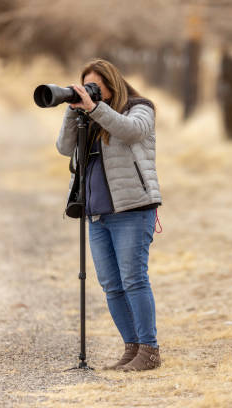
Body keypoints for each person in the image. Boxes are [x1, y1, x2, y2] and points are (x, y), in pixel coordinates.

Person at [55, 58, 163, 371]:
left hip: (132, 208)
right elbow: (64, 148)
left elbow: (130, 132)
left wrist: (94, 108)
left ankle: (150, 350)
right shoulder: (86, 115)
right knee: (111, 285)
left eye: (96, 88)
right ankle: (132, 348)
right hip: (97, 211)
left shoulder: (140, 108)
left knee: (133, 279)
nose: (91, 93)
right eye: (87, 86)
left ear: (112, 85)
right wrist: (72, 107)